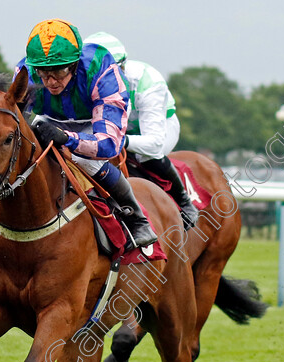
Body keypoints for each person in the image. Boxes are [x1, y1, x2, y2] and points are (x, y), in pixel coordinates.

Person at [16, 19, 157, 248]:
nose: (51, 81)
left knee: (82, 157)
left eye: (59, 71)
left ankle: (137, 220)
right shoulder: (26, 73)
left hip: (95, 120)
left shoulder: (100, 69)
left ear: (74, 64)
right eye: (43, 72)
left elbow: (108, 145)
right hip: (50, 118)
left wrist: (67, 138)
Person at [84, 32, 199, 228]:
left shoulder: (148, 82)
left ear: (121, 67)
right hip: (116, 128)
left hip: (157, 128)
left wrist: (120, 141)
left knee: (146, 156)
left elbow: (154, 143)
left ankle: (185, 203)